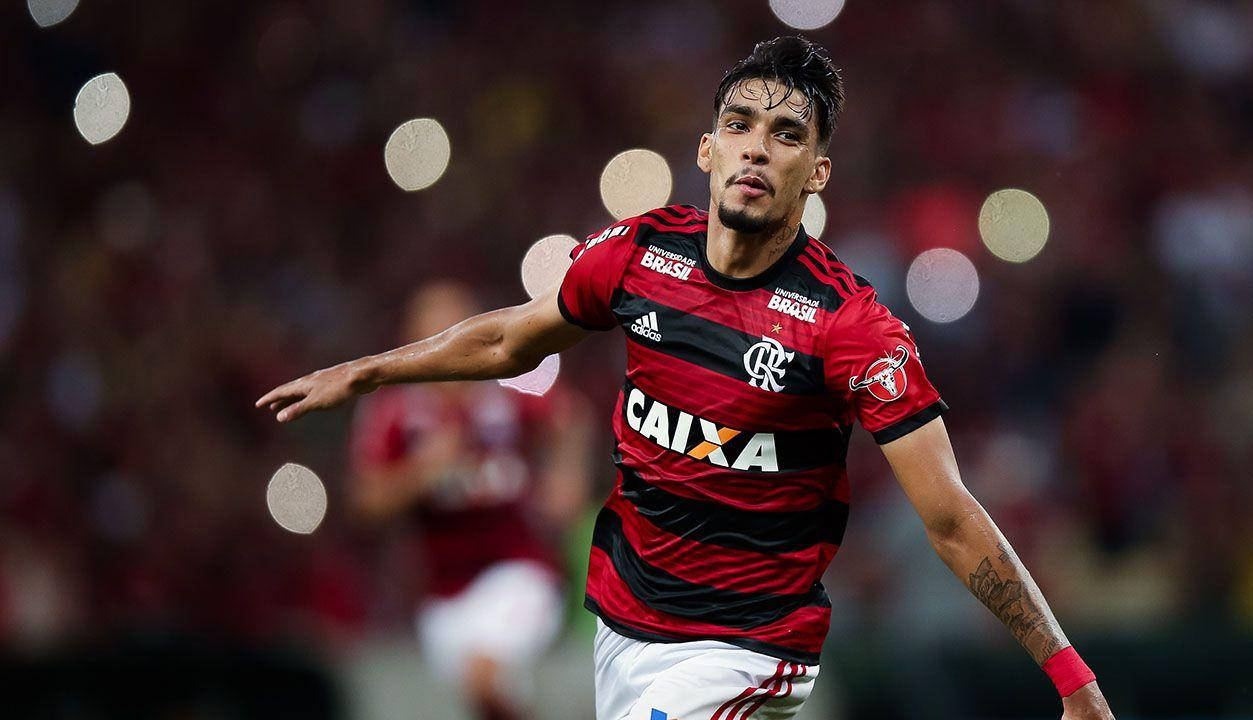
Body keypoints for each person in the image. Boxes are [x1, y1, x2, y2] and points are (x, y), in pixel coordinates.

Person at [258, 36, 1114, 720]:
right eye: (740, 124)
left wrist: (1071, 676)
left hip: (748, 645)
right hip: (625, 625)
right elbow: (510, 340)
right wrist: (369, 372)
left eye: (787, 135)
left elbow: (951, 517)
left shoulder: (850, 327)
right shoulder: (638, 254)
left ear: (816, 173)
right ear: (707, 148)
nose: (757, 148)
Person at [348, 280, 592, 720]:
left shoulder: (510, 388)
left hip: (521, 571)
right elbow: (365, 504)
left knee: (485, 675)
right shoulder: (395, 413)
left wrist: (566, 480)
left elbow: (571, 417)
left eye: (457, 331)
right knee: (490, 700)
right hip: (442, 595)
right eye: (435, 336)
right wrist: (421, 470)